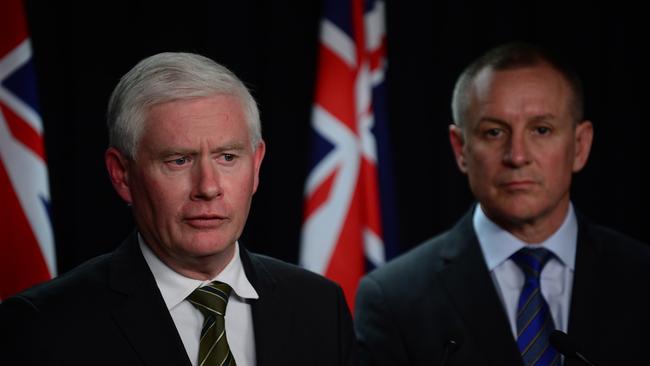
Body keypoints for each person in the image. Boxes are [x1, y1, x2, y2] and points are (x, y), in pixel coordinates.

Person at [0, 52, 358, 365]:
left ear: (257, 166)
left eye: (228, 157)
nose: (208, 187)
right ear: (122, 174)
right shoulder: (45, 326)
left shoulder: (320, 307)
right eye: (178, 160)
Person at [354, 42, 650, 366]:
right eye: (494, 132)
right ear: (460, 148)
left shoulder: (640, 276)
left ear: (580, 145)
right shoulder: (395, 299)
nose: (517, 156)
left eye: (541, 129)